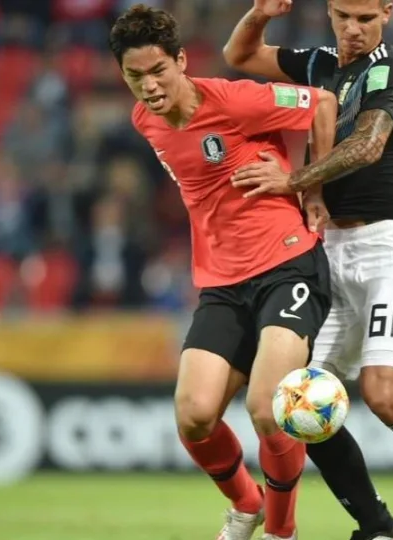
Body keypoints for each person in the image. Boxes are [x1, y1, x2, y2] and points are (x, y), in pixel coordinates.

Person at [224, 1, 393, 539]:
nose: (353, 29)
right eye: (344, 16)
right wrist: (259, 13)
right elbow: (241, 55)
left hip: (390, 245)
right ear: (330, 11)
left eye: (365, 19)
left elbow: (370, 145)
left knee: (385, 393)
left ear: (387, 13)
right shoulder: (320, 62)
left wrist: (293, 181)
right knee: (299, 402)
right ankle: (377, 526)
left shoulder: (389, 67)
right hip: (331, 249)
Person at [109, 5, 339, 540]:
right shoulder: (145, 120)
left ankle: (281, 531)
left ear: (181, 61)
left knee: (269, 408)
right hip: (222, 282)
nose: (149, 86)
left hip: (286, 264)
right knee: (193, 416)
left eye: (158, 71)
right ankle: (246, 505)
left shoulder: (234, 100)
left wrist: (310, 185)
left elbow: (322, 103)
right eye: (135, 76)